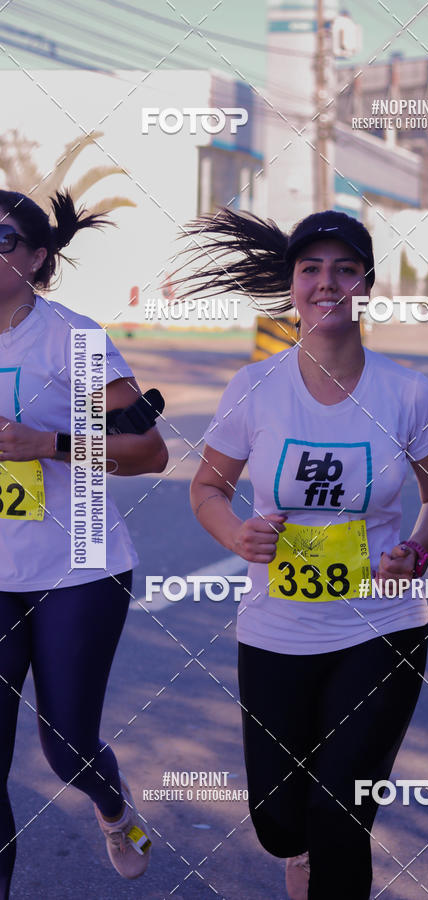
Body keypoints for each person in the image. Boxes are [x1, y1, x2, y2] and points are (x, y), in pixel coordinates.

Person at [186, 208, 428, 899]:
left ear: (366, 283)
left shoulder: (408, 393)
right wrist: (234, 535)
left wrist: (416, 547)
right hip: (276, 628)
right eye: (311, 268)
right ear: (292, 283)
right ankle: (297, 848)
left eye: (345, 268)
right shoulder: (255, 387)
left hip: (380, 627)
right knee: (281, 821)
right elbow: (208, 487)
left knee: (340, 810)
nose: (327, 283)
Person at [0, 190, 168, 898]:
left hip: (78, 569)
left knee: (67, 744)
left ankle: (112, 807)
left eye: (3, 238)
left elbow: (148, 448)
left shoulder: (74, 339)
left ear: (38, 258)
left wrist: (52, 444)